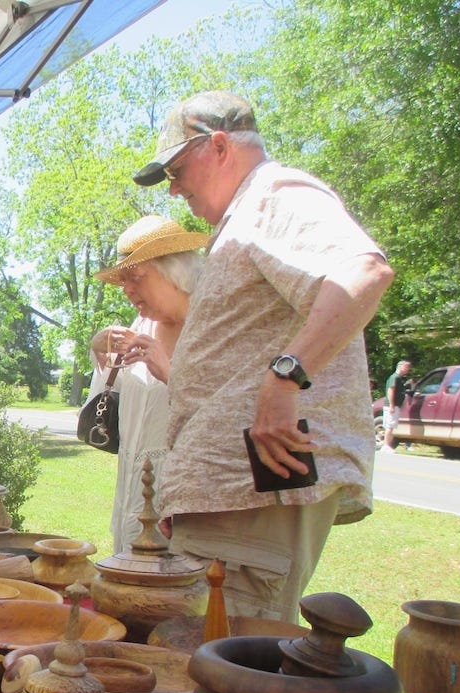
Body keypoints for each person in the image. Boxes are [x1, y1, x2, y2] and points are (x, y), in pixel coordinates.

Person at [133, 90, 394, 623]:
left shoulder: (275, 194)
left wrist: (286, 377)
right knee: (205, 662)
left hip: (253, 503)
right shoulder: (245, 214)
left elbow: (364, 272)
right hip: (229, 505)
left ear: (221, 146)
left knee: (233, 671)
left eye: (178, 170)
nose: (175, 186)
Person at [88, 215, 207, 553]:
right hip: (131, 491)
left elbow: (226, 412)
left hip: (183, 502)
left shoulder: (210, 327)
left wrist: (169, 372)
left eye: (135, 278)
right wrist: (100, 350)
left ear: (174, 272)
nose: (126, 289)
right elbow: (113, 395)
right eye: (123, 280)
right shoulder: (143, 325)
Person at [381, 359, 412, 452]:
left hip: (395, 405)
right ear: (400, 366)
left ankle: (387, 445)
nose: (408, 369)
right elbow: (391, 391)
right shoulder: (395, 378)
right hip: (392, 406)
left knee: (391, 425)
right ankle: (386, 445)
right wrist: (391, 405)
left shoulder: (399, 378)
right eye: (406, 367)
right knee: (389, 426)